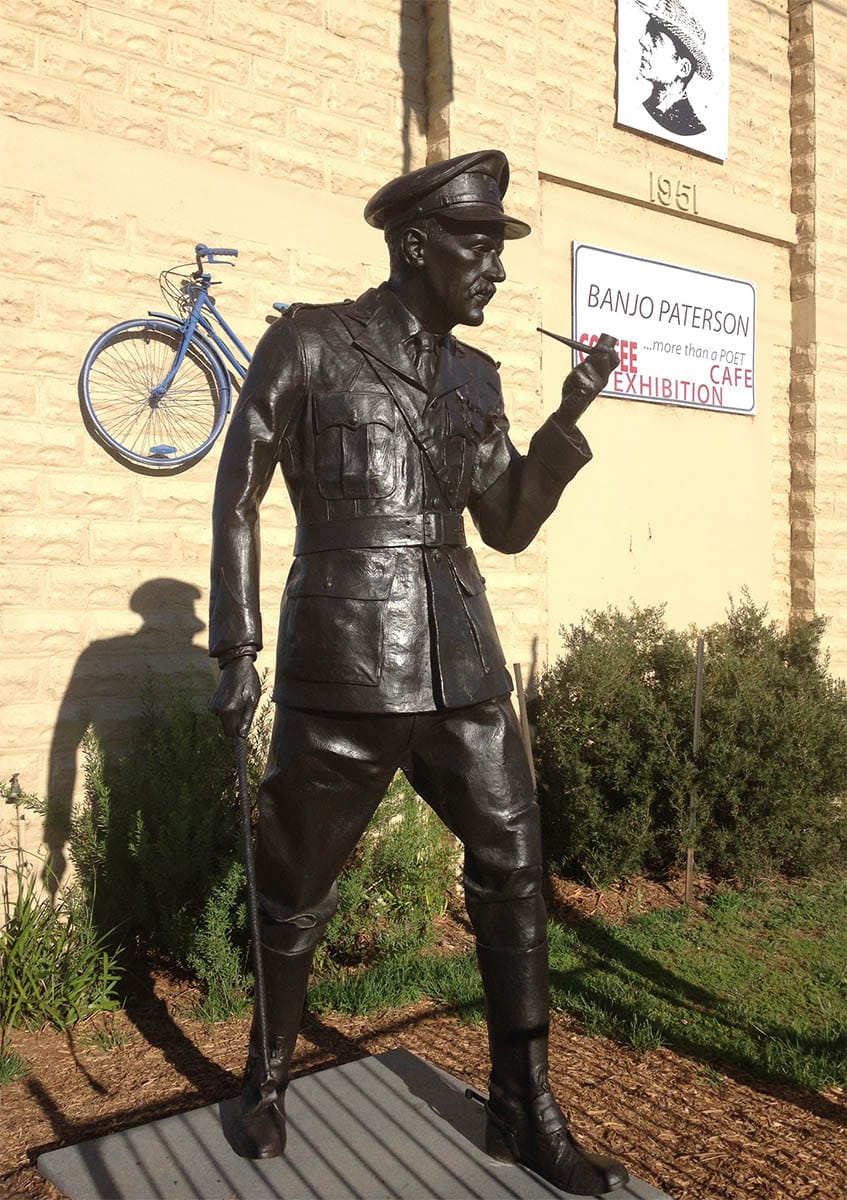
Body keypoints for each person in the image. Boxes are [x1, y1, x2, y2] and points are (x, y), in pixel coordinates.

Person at [209, 149, 628, 1195]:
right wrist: (236, 647)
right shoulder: (305, 344)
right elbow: (236, 497)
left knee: (515, 867)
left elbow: (507, 526)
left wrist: (567, 419)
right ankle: (265, 1081)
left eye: (495, 245)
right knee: (296, 888)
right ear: (414, 245)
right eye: (476, 244)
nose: (492, 266)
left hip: (463, 662)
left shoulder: (475, 376)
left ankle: (521, 1107)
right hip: (340, 664)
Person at [636, 0, 712, 137]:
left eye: (656, 38)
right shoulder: (647, 107)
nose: (642, 41)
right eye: (647, 33)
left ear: (683, 68)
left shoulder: (689, 125)